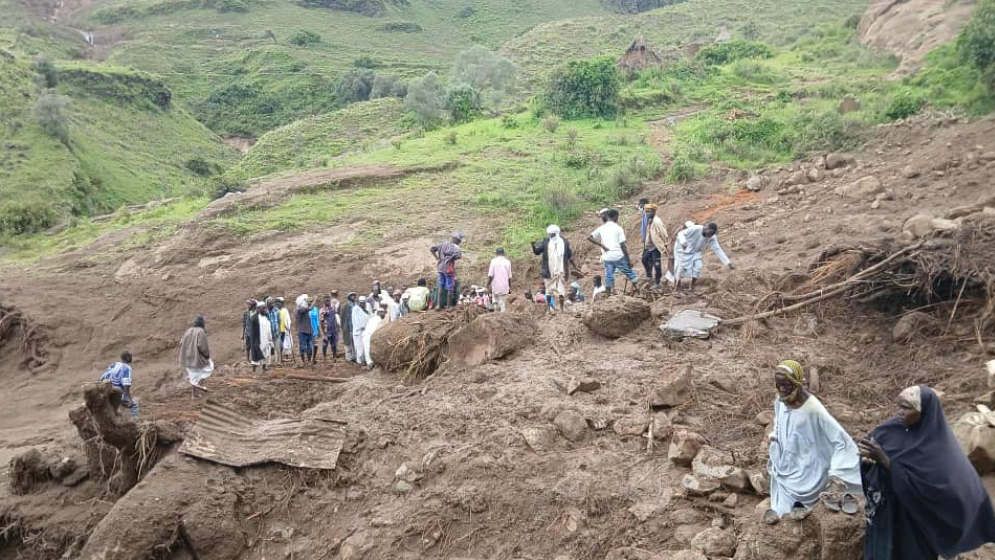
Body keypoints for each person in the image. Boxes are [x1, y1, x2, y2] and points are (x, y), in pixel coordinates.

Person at [859, 385, 995, 559]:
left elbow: (941, 490)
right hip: (888, 515)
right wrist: (867, 459)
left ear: (924, 412)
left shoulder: (939, 448)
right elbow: (871, 447)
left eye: (907, 408)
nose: (900, 412)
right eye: (899, 406)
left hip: (916, 523)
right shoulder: (891, 428)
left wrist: (885, 461)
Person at [765, 359, 861, 524]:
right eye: (778, 385)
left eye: (786, 385)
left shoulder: (813, 408)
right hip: (789, 462)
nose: (781, 389)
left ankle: (806, 503)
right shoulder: (781, 400)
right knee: (782, 500)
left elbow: (841, 440)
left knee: (802, 491)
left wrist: (836, 474)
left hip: (811, 468)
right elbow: (780, 423)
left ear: (797, 383)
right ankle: (786, 509)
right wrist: (775, 438)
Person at [588, 208, 638, 295]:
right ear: (615, 217)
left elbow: (589, 237)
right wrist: (628, 260)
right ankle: (638, 289)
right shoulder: (618, 228)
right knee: (629, 272)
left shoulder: (601, 228)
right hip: (618, 256)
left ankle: (608, 293)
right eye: (617, 217)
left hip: (607, 257)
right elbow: (623, 246)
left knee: (609, 275)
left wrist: (602, 245)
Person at [673, 221, 734, 291]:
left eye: (712, 234)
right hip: (682, 249)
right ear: (706, 228)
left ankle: (692, 285)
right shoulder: (696, 228)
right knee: (680, 267)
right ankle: (677, 286)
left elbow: (717, 249)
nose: (710, 235)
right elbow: (681, 233)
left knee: (698, 267)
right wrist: (683, 242)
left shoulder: (712, 237)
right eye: (710, 233)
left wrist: (727, 262)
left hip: (695, 252)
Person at [532, 225, 575, 312]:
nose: (550, 236)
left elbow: (569, 255)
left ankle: (561, 309)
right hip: (549, 271)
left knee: (560, 290)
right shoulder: (552, 241)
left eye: (551, 234)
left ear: (556, 233)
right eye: (549, 234)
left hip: (559, 271)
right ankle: (550, 309)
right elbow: (537, 252)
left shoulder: (562, 242)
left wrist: (574, 265)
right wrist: (533, 245)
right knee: (549, 290)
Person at [430, 232, 464, 309]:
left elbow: (432, 249)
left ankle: (438, 305)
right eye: (459, 241)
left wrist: (437, 258)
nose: (459, 242)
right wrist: (452, 257)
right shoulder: (456, 247)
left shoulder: (443, 244)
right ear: (457, 240)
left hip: (440, 268)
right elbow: (459, 256)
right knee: (450, 288)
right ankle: (448, 306)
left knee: (441, 286)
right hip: (449, 269)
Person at [98, 351, 138, 417]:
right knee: (134, 405)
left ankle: (116, 411)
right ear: (127, 358)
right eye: (130, 357)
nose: (131, 358)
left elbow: (104, 375)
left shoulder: (114, 364)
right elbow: (126, 386)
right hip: (115, 390)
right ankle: (136, 421)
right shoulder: (127, 368)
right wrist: (129, 399)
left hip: (103, 386)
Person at [179, 315, 213, 390]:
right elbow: (202, 346)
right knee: (209, 366)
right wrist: (206, 356)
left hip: (187, 358)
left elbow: (181, 342)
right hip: (196, 358)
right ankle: (199, 385)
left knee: (193, 374)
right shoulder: (201, 331)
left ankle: (194, 394)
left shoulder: (188, 330)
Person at [642, 203, 670, 290]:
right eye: (646, 212)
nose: (647, 213)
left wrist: (665, 244)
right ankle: (649, 275)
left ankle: (657, 282)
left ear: (654, 211)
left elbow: (663, 233)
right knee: (644, 260)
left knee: (657, 264)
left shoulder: (657, 221)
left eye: (649, 212)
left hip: (656, 247)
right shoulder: (650, 220)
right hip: (649, 246)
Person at [487, 248, 513, 313]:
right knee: (503, 304)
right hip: (505, 286)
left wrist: (488, 284)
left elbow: (490, 275)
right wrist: (509, 287)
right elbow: (509, 277)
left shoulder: (493, 261)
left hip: (495, 286)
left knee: (495, 303)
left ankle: (496, 315)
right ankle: (502, 317)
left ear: (496, 254)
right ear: (504, 253)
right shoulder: (507, 262)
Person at [351, 296, 370, 365]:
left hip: (365, 331)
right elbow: (355, 320)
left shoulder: (367, 308)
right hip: (358, 331)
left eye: (364, 303)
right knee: (359, 347)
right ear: (359, 302)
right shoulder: (355, 309)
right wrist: (361, 327)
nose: (362, 304)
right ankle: (360, 361)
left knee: (365, 346)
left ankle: (364, 360)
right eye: (361, 303)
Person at [255, 301, 273, 372]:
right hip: (259, 340)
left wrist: (270, 339)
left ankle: (264, 367)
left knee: (266, 354)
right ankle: (259, 369)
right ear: (258, 309)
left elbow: (269, 330)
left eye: (265, 308)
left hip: (266, 339)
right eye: (263, 308)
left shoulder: (266, 319)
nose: (264, 310)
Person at [321, 295, 339, 362]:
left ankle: (334, 357)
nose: (328, 302)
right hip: (326, 329)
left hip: (333, 329)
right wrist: (323, 333)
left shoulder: (332, 308)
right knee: (325, 344)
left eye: (328, 300)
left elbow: (335, 318)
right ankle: (324, 357)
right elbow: (321, 321)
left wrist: (336, 328)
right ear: (324, 301)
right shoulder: (322, 310)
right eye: (326, 300)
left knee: (334, 344)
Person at [340, 292, 356, 362]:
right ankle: (348, 358)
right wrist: (344, 327)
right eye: (352, 296)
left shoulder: (356, 305)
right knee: (347, 343)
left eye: (354, 296)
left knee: (354, 343)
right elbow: (342, 317)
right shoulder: (345, 306)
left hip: (354, 326)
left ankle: (354, 356)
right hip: (347, 327)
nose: (353, 297)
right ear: (349, 297)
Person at [278, 297, 292, 362]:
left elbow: (288, 319)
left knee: (287, 342)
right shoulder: (276, 311)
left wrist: (288, 326)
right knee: (280, 344)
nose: (279, 304)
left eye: (281, 303)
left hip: (285, 329)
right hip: (279, 330)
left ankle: (286, 356)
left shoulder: (285, 310)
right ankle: (280, 357)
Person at [266, 298, 280, 362]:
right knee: (270, 349)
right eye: (270, 303)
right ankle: (270, 362)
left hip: (276, 332)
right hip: (269, 334)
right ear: (267, 304)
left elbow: (279, 320)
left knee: (277, 348)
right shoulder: (265, 312)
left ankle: (278, 361)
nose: (272, 304)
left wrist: (279, 329)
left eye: (272, 303)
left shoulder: (276, 310)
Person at [308, 297, 320, 364]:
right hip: (308, 330)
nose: (310, 302)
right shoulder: (307, 309)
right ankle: (309, 359)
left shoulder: (315, 309)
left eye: (311, 301)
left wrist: (318, 330)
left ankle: (314, 358)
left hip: (315, 329)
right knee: (309, 345)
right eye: (309, 301)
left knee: (315, 344)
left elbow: (317, 320)